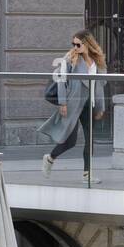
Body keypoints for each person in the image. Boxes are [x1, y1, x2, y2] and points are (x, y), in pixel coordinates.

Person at [39, 30, 106, 185]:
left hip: (90, 104)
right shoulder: (69, 59)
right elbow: (61, 81)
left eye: (78, 44)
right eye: (73, 44)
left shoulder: (98, 61)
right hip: (73, 104)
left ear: (87, 44)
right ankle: (50, 158)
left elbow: (100, 86)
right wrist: (62, 103)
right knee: (71, 141)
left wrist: (100, 107)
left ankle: (87, 175)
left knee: (90, 140)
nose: (75, 47)